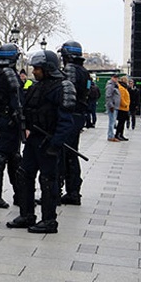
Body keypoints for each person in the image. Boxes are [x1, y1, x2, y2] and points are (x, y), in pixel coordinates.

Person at [6, 50, 75, 234]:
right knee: (24, 175)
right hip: (34, 140)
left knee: (47, 180)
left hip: (49, 141)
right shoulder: (36, 86)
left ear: (48, 68)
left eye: (37, 68)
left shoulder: (63, 87)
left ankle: (49, 220)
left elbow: (66, 121)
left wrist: (56, 143)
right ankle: (27, 214)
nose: (34, 71)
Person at [0, 43, 24, 209]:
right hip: (10, 117)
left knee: (13, 155)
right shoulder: (9, 73)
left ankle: (19, 194)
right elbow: (17, 98)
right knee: (5, 154)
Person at [58, 40, 90, 205]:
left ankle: (61, 191)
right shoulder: (84, 71)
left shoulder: (70, 69)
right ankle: (73, 191)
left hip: (71, 116)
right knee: (72, 153)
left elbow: (67, 92)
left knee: (63, 153)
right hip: (79, 115)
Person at [105, 74, 121, 142]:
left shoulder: (115, 85)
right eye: (115, 77)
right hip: (113, 107)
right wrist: (111, 106)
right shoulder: (110, 86)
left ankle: (111, 135)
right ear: (112, 78)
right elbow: (108, 96)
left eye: (117, 78)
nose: (116, 79)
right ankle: (110, 136)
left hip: (115, 106)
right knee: (112, 122)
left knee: (113, 122)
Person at [115, 75, 131, 141]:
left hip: (125, 108)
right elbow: (121, 98)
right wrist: (125, 104)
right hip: (122, 108)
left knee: (122, 122)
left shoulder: (124, 88)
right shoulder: (121, 88)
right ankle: (118, 134)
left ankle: (121, 134)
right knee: (121, 122)